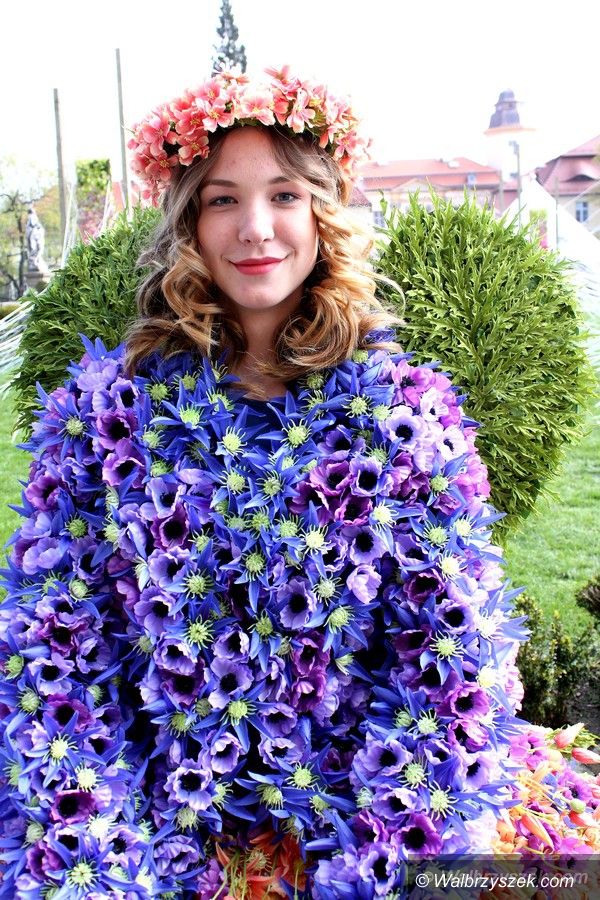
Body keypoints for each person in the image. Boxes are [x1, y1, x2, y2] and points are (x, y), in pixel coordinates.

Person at [0, 67, 598, 900]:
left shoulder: (408, 418)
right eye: (222, 200)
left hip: (368, 827)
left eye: (284, 195)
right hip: (160, 838)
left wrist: (392, 860)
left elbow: (454, 662)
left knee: (563, 884)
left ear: (324, 212)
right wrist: (99, 863)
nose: (256, 229)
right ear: (188, 221)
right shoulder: (102, 419)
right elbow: (53, 654)